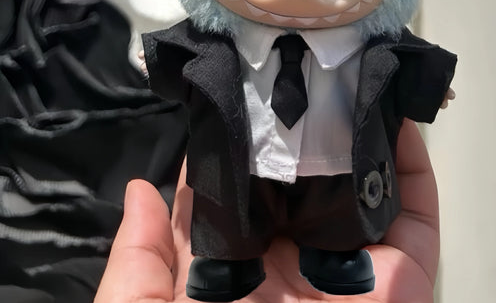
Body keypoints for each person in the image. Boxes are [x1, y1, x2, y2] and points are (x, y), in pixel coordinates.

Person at [94, 117, 440, 303]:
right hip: (246, 158)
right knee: (229, 213)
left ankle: (330, 259)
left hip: (332, 165)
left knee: (333, 214)